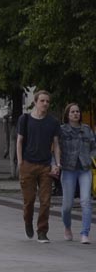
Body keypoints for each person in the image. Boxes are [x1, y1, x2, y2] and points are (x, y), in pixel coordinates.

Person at [16, 90, 62, 243]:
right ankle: (28, 221)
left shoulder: (53, 122)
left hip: (45, 166)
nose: (45, 104)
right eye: (42, 101)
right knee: (29, 201)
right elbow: (19, 141)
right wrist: (20, 162)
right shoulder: (25, 119)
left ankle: (42, 231)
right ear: (35, 102)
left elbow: (55, 145)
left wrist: (57, 164)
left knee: (45, 200)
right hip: (28, 164)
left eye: (47, 101)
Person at [59, 102, 96, 244]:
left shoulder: (87, 129)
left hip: (84, 169)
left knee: (86, 201)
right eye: (73, 112)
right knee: (67, 205)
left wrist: (91, 158)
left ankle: (84, 233)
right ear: (67, 115)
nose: (76, 114)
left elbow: (94, 147)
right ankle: (67, 227)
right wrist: (56, 163)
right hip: (68, 169)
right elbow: (56, 147)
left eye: (78, 112)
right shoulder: (62, 130)